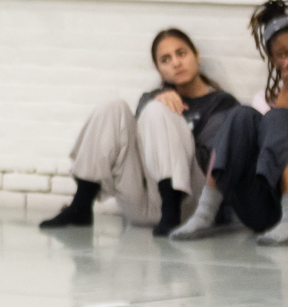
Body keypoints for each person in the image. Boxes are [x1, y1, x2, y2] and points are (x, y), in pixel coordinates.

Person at [38, 29, 238, 235]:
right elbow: (138, 139)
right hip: (144, 205)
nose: (176, 63)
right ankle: (80, 207)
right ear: (159, 69)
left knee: (157, 110)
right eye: (165, 60)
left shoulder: (221, 103)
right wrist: (159, 97)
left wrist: (176, 131)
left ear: (196, 55)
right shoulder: (152, 97)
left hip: (189, 204)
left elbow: (212, 163)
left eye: (181, 53)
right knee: (113, 108)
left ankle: (171, 211)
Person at [170, 0, 288, 246]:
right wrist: (285, 96)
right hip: (267, 211)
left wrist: (286, 100)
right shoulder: (263, 100)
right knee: (240, 115)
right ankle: (205, 213)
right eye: (283, 54)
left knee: (281, 117)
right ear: (273, 60)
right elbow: (254, 162)